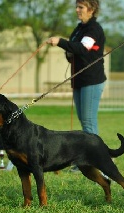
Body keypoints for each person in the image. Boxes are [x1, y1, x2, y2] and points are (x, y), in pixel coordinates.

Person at [47, 0, 106, 136]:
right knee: (84, 120)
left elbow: (82, 48)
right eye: (76, 7)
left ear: (91, 9)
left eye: (81, 7)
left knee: (88, 121)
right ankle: (94, 154)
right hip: (78, 80)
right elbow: (73, 51)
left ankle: (98, 156)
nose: (77, 10)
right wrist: (68, 52)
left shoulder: (93, 29)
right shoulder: (79, 29)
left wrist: (60, 42)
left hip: (92, 80)